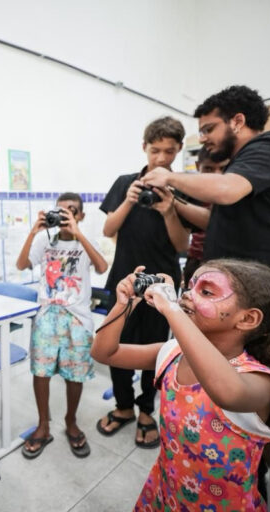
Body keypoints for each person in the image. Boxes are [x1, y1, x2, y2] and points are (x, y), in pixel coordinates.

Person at [91, 259, 270, 511]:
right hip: (165, 492)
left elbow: (226, 392)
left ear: (248, 318)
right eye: (189, 286)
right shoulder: (174, 353)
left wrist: (172, 310)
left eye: (205, 291)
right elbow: (104, 353)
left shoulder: (261, 382)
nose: (186, 296)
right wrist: (124, 305)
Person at [142, 85, 270, 345]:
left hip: (267, 296)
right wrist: (173, 205)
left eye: (209, 129)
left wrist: (170, 177)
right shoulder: (243, 163)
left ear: (237, 121)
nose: (203, 139)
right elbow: (215, 223)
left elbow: (226, 190)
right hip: (236, 294)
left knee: (264, 378)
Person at [96, 117, 190, 449]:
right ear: (144, 148)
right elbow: (108, 230)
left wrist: (168, 211)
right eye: (155, 150)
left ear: (179, 150)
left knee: (156, 352)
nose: (161, 158)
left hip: (162, 284)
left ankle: (147, 410)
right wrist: (130, 199)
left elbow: (183, 246)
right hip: (124, 279)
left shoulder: (182, 188)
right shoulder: (124, 182)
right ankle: (123, 406)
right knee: (114, 345)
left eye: (169, 151)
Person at [15, 192, 108, 459]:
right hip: (47, 314)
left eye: (71, 211)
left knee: (75, 373)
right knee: (41, 372)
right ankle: (43, 425)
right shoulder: (45, 240)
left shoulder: (85, 241)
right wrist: (34, 231)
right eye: (60, 211)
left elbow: (101, 267)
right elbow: (22, 264)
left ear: (80, 216)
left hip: (78, 317)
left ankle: (71, 421)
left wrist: (78, 234)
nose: (65, 216)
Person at [173, 146, 228, 287]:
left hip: (228, 264)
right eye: (208, 169)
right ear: (198, 166)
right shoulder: (191, 192)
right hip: (196, 261)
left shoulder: (236, 193)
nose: (216, 175)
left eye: (223, 169)